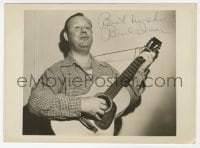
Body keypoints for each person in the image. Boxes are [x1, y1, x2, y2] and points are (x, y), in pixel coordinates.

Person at [27, 12, 155, 135]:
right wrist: (82, 104)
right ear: (66, 36)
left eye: (87, 27)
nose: (83, 30)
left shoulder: (107, 70)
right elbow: (36, 102)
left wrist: (139, 71)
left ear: (91, 34)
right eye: (77, 27)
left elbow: (126, 101)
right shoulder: (57, 71)